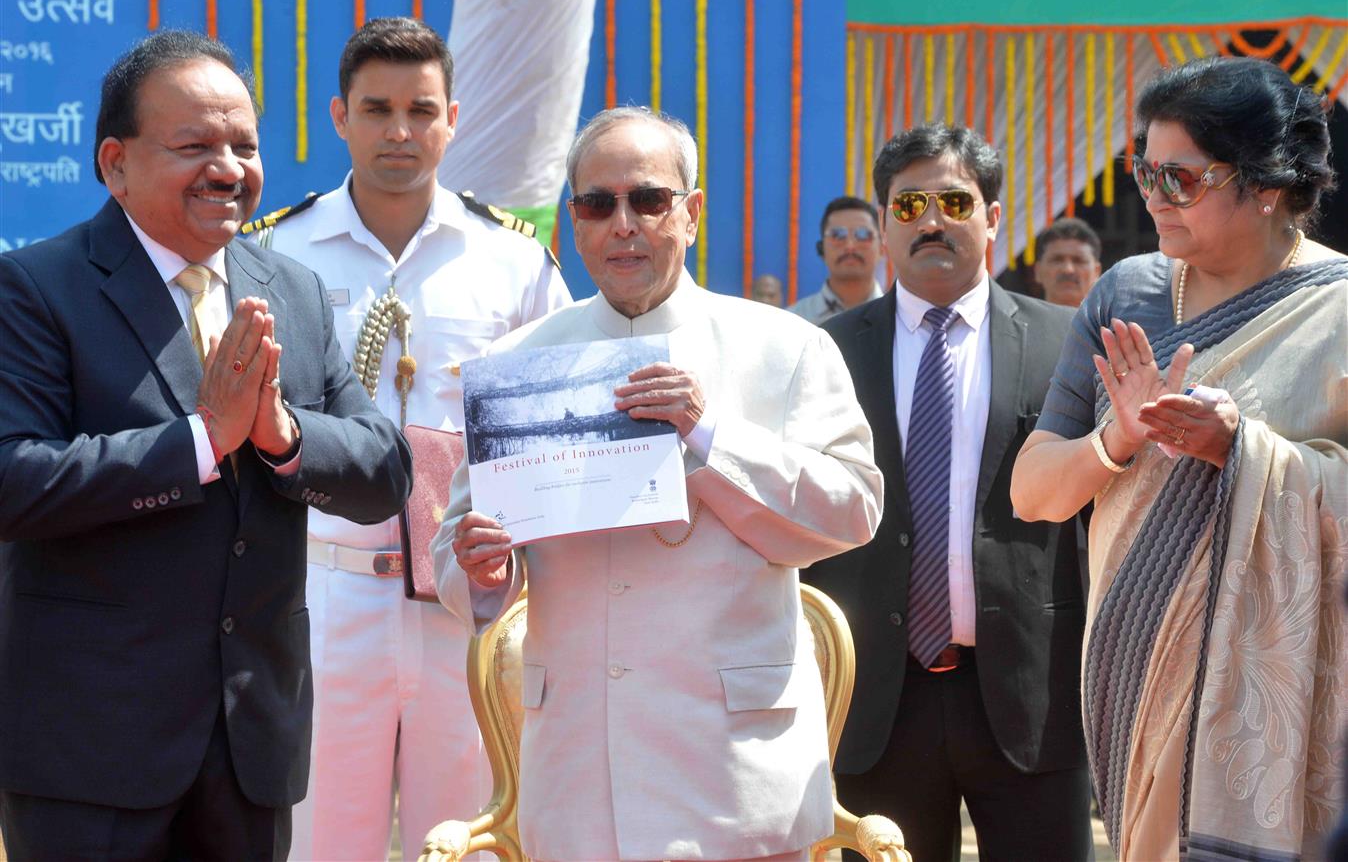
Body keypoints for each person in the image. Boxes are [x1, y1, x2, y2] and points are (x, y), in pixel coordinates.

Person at [0, 30, 413, 861]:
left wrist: (284, 438)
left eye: (244, 146)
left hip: (250, 745)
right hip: (91, 750)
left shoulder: (287, 288)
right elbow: (15, 481)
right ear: (116, 163)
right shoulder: (38, 288)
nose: (227, 169)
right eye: (195, 146)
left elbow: (385, 471)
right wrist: (200, 441)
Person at [432, 106, 883, 862]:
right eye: (597, 204)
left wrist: (709, 436)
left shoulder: (785, 346)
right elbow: (458, 552)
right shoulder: (518, 363)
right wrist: (480, 569)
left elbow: (854, 510)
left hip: (735, 769)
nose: (623, 224)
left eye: (648, 199)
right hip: (580, 766)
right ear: (574, 222)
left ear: (692, 213)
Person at [248, 17, 572, 862]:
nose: (400, 131)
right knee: (318, 840)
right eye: (377, 108)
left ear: (452, 119)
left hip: (469, 598)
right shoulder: (275, 251)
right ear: (339, 116)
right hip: (323, 592)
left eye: (421, 110)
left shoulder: (514, 261)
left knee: (465, 838)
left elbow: (555, 430)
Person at [1010, 56, 1346, 861]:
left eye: (1181, 179)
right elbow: (1032, 493)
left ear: (1265, 186)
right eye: (1145, 171)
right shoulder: (1124, 295)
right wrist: (1117, 440)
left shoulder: (1338, 308)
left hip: (1282, 700)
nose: (1154, 197)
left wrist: (1244, 450)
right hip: (1131, 673)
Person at [803, 123, 1092, 862]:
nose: (931, 221)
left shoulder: (1064, 342)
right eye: (909, 206)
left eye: (954, 202)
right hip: (876, 703)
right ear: (884, 224)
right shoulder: (826, 351)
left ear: (992, 219)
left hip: (1032, 694)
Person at [788, 195, 884, 324]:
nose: (850, 246)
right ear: (821, 248)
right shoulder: (793, 322)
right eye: (837, 235)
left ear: (882, 248)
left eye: (863, 235)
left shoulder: (899, 318)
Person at [1032, 217, 1102, 307]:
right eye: (1057, 260)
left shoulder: (1114, 316)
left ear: (1096, 272)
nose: (1068, 270)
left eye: (1079, 261)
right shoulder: (1018, 316)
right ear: (1038, 271)